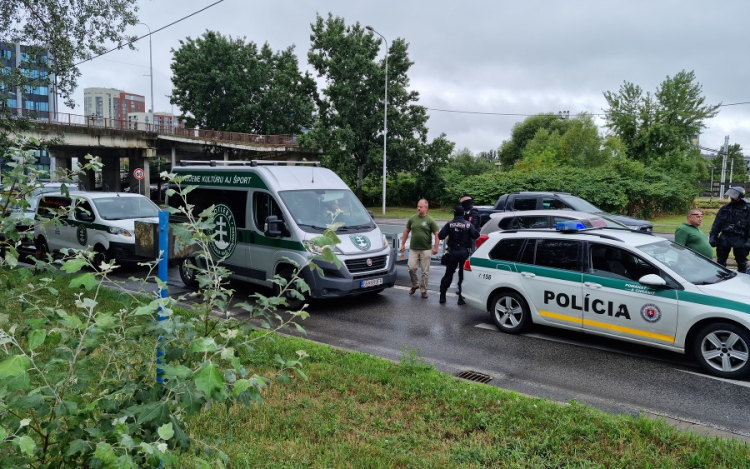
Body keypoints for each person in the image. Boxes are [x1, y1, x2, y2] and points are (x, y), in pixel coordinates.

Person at [438, 205, 479, 305]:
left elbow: (440, 236)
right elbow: (476, 235)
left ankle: (442, 296)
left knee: (448, 273)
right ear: (463, 214)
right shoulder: (468, 224)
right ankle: (461, 298)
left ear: (454, 213)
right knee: (463, 275)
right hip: (464, 252)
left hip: (453, 252)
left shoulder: (449, 224)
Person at [400, 199, 439, 298]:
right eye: (418, 206)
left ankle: (424, 290)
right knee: (411, 267)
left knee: (425, 272)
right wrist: (403, 244)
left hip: (426, 249)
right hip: (414, 248)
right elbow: (406, 231)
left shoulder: (430, 220)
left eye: (420, 207)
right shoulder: (412, 219)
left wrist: (435, 247)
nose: (418, 208)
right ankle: (415, 285)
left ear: (426, 208)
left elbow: (437, 233)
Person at [709, 186, 750, 273]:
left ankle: (742, 280)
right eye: (731, 194)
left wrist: (749, 241)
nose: (732, 196)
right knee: (721, 260)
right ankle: (721, 277)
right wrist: (713, 236)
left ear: (740, 196)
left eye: (734, 194)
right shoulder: (725, 208)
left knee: (741, 261)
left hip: (740, 237)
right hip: (725, 237)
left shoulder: (747, 209)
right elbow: (717, 224)